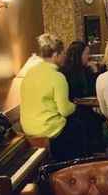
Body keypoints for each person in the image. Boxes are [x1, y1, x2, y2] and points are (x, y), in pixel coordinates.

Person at [20, 33, 81, 161]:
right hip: (48, 130)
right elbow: (64, 110)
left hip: (28, 128)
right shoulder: (57, 77)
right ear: (55, 55)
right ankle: (71, 168)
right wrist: (75, 105)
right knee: (79, 126)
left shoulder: (30, 72)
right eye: (63, 53)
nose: (65, 56)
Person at [61, 40, 102, 154]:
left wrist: (95, 72)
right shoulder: (65, 72)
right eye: (86, 54)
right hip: (73, 111)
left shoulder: (87, 70)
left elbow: (94, 90)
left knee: (97, 119)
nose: (88, 57)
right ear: (78, 55)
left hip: (86, 108)